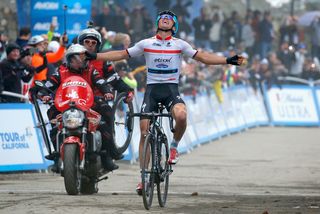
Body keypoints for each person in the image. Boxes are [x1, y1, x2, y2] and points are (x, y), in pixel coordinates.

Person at [85, 10, 245, 194]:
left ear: (174, 26)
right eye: (163, 18)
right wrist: (95, 56)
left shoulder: (180, 44)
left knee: (182, 116)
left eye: (170, 18)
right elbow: (121, 54)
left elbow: (203, 58)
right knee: (144, 132)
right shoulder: (146, 43)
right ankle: (144, 177)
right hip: (152, 91)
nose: (166, 19)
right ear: (157, 23)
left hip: (171, 90)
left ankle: (174, 146)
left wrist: (227, 60)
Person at [37, 44, 122, 172]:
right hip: (65, 105)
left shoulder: (91, 70)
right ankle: (57, 157)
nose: (82, 61)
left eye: (84, 58)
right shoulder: (60, 71)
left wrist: (107, 92)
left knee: (105, 118)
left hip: (88, 104)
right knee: (53, 123)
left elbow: (100, 82)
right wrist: (43, 94)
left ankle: (107, 156)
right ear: (70, 60)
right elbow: (49, 84)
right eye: (78, 59)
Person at [77, 27, 134, 169]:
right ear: (81, 43)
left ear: (98, 45)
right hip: (74, 100)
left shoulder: (103, 61)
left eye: (93, 43)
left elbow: (115, 79)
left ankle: (107, 155)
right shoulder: (72, 59)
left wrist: (127, 91)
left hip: (97, 100)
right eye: (87, 42)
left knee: (108, 114)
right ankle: (56, 154)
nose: (90, 45)